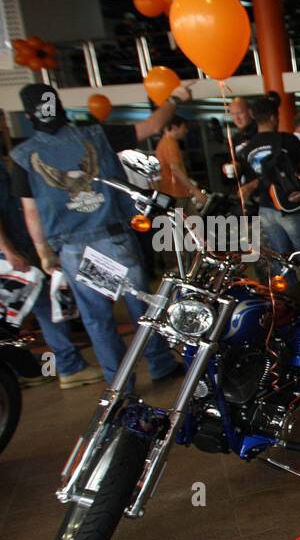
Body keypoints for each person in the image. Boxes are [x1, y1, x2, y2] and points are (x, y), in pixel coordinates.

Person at [10, 83, 182, 385]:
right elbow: (152, 125)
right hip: (114, 238)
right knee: (141, 306)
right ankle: (160, 364)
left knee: (98, 320)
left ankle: (120, 387)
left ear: (27, 114)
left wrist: (44, 253)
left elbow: (31, 210)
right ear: (60, 105)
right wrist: (175, 98)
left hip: (74, 250)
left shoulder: (24, 156)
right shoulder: (95, 135)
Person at [0, 146, 98, 389]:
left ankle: (30, 369)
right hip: (11, 252)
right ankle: (68, 367)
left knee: (25, 311)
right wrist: (9, 252)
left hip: (15, 247)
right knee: (45, 306)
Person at [237, 92, 300, 258]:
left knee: (281, 258)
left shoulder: (247, 149)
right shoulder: (288, 140)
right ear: (274, 117)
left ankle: (289, 284)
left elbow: (252, 181)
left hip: (265, 209)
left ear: (253, 117)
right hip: (292, 205)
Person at [156, 115, 205, 209]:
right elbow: (175, 169)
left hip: (177, 193)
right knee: (193, 222)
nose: (186, 131)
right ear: (174, 127)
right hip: (175, 194)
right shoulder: (169, 143)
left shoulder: (166, 142)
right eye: (184, 127)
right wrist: (195, 191)